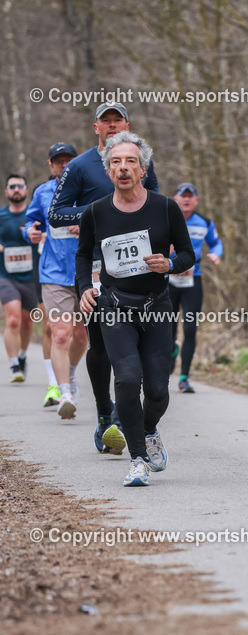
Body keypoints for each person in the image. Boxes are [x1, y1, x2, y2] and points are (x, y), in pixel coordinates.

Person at [76, 131, 194, 487]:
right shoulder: (95, 212)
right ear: (108, 170)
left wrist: (169, 264)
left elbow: (188, 254)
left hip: (156, 307)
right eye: (115, 162)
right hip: (115, 307)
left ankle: (148, 429)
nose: (123, 168)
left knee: (157, 391)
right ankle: (138, 459)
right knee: (127, 381)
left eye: (130, 162)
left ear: (143, 169)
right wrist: (84, 288)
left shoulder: (165, 207)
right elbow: (83, 254)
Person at [50, 102, 158, 453]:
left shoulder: (143, 160)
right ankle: (104, 414)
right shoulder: (80, 166)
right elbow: (56, 214)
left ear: (127, 124)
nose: (112, 126)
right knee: (99, 342)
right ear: (96, 127)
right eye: (105, 121)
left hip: (137, 263)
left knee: (137, 341)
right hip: (97, 263)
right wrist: (100, 210)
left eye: (118, 121)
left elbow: (155, 202)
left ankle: (125, 415)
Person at [24, 143, 88, 416]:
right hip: (53, 273)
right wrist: (31, 233)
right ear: (50, 165)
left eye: (68, 161)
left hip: (86, 271)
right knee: (60, 333)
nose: (63, 165)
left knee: (82, 334)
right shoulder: (42, 193)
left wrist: (84, 222)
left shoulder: (89, 190)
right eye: (58, 161)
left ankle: (71, 373)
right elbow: (30, 223)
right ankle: (64, 393)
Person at [167, 182, 223, 393]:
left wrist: (216, 253)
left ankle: (184, 378)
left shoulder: (204, 222)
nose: (187, 199)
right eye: (183, 196)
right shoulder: (167, 219)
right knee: (168, 329)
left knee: (190, 328)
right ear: (175, 199)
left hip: (193, 280)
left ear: (197, 200)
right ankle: (171, 351)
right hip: (168, 280)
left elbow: (216, 242)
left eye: (191, 196)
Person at [0, 174, 37, 383]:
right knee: (13, 319)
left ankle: (22, 356)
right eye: (12, 186)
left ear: (25, 190)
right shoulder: (1, 215)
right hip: (5, 275)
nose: (16, 189)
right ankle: (14, 365)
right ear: (6, 192)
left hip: (31, 277)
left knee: (27, 321)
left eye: (19, 186)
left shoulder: (34, 214)